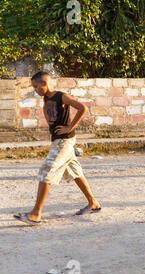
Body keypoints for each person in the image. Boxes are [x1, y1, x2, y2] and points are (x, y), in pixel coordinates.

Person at [14, 72, 101, 225]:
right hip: (58, 141)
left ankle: (36, 213)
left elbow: (82, 108)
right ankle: (93, 203)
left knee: (47, 170)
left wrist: (69, 127)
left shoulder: (61, 96)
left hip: (64, 141)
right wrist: (50, 124)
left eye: (36, 86)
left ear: (44, 83)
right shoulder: (46, 98)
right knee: (75, 171)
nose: (35, 89)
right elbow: (47, 112)